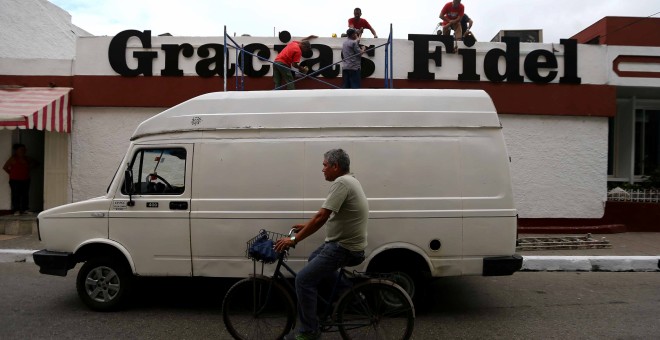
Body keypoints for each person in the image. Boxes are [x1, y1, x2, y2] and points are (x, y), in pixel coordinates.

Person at [275, 149, 368, 340]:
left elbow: (321, 217)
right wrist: (305, 226)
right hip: (345, 245)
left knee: (302, 279)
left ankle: (309, 331)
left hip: (343, 248)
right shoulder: (350, 180)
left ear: (335, 166)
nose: (322, 169)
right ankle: (348, 295)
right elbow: (328, 214)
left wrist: (293, 239)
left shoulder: (342, 183)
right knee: (313, 259)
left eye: (325, 165)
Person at [3, 144, 38, 215]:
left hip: (26, 179)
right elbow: (5, 167)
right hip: (15, 180)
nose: (23, 151)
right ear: (16, 151)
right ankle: (16, 210)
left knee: (25, 195)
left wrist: (29, 168)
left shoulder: (27, 158)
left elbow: (36, 163)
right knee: (16, 195)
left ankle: (25, 209)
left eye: (24, 149)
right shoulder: (13, 158)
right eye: (21, 150)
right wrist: (12, 174)